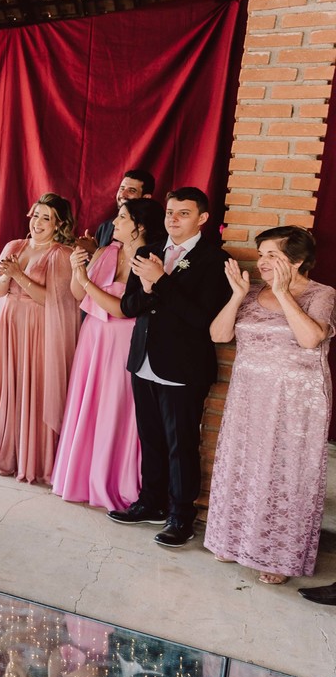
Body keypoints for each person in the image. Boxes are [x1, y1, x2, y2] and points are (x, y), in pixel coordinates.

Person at [203, 226, 334, 585]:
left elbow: (311, 339)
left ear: (298, 260)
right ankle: (232, 541)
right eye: (261, 254)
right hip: (248, 396)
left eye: (272, 255)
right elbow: (218, 335)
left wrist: (282, 293)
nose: (261, 261)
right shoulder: (250, 293)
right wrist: (236, 296)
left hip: (296, 401)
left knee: (285, 474)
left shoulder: (322, 294)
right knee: (243, 466)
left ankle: (277, 556)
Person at [108, 187, 230, 548]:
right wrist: (147, 289)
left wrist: (160, 281)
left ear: (202, 218)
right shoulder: (147, 251)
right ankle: (151, 502)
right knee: (151, 438)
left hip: (183, 366)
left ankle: (181, 516)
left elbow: (202, 319)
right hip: (143, 359)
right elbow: (128, 307)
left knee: (181, 444)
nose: (173, 219)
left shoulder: (215, 260)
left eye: (183, 213)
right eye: (169, 212)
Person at [52, 198, 166, 512]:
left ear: (140, 226)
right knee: (88, 403)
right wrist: (78, 271)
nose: (114, 223)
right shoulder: (106, 252)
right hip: (93, 338)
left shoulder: (152, 262)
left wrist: (86, 282)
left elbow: (122, 308)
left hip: (125, 340)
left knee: (117, 408)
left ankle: (114, 480)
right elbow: (79, 294)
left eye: (122, 218)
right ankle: (80, 477)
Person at [0, 194, 78, 485]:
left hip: (39, 327)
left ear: (59, 224)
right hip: (10, 323)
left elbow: (54, 300)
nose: (38, 222)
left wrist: (18, 275)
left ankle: (34, 457)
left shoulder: (61, 254)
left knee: (34, 386)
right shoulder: (14, 246)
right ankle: (6, 449)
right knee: (9, 384)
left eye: (46, 218)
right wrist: (6, 277)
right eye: (36, 215)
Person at [79, 169, 155, 253]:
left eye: (132, 191)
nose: (123, 194)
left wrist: (95, 251)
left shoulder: (154, 231)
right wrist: (87, 255)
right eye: (122, 189)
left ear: (146, 198)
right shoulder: (105, 228)